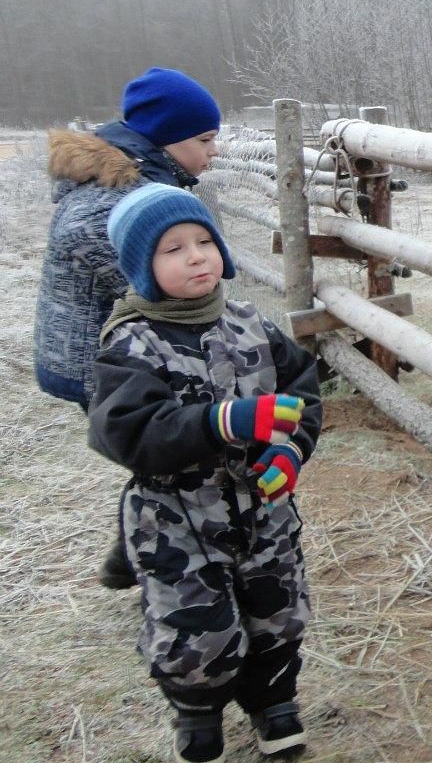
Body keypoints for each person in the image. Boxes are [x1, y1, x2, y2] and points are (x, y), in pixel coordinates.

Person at [88, 183, 321, 763]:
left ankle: (274, 701)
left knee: (279, 611)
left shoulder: (250, 323)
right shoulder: (131, 342)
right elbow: (126, 432)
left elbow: (303, 394)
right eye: (172, 249)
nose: (196, 256)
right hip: (176, 518)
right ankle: (196, 708)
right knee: (196, 632)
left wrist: (292, 450)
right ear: (142, 267)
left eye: (203, 241)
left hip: (263, 508)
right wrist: (222, 421)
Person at [33, 67, 222, 589]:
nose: (214, 152)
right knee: (163, 456)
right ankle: (164, 572)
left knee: (158, 455)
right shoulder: (110, 201)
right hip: (104, 359)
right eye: (204, 139)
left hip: (117, 351)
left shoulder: (139, 181)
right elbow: (157, 287)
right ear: (167, 139)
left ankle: (128, 560)